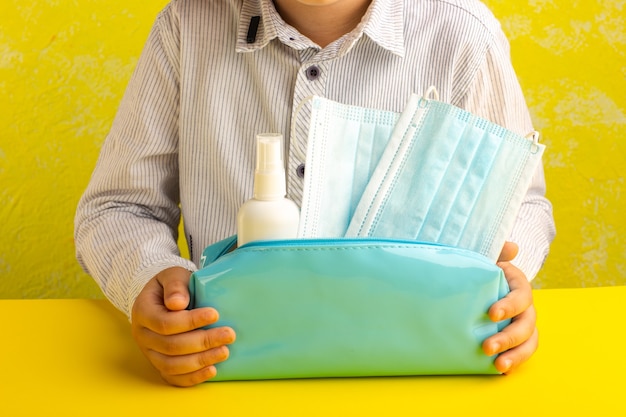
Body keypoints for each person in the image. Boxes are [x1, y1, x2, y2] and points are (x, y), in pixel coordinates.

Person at [75, 0, 556, 387]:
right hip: (226, 363)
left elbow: (525, 204)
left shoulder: (464, 35)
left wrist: (509, 283)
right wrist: (153, 278)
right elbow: (118, 207)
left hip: (420, 369)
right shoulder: (186, 25)